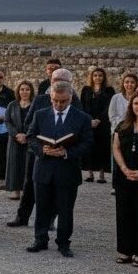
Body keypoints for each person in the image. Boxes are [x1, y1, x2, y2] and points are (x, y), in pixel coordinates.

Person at [26, 81, 94, 258]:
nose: (58, 104)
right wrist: (42, 149)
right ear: (51, 97)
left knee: (65, 209)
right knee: (41, 207)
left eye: (63, 101)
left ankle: (63, 243)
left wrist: (67, 152)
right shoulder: (40, 115)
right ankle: (40, 239)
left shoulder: (82, 118)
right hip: (43, 168)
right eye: (55, 100)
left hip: (67, 170)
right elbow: (31, 137)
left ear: (70, 98)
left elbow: (87, 144)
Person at [7, 68, 82, 228]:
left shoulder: (74, 100)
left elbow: (79, 126)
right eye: (57, 81)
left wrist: (63, 146)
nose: (60, 84)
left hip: (61, 152)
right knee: (29, 184)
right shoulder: (40, 99)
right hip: (38, 150)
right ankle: (22, 216)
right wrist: (42, 144)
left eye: (65, 82)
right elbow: (29, 124)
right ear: (51, 81)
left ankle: (49, 220)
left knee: (56, 186)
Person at [112, 89, 138, 267]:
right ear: (131, 106)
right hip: (125, 176)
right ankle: (125, 250)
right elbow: (116, 148)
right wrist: (124, 168)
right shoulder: (123, 125)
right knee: (124, 213)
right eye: (136, 103)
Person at [81, 67, 115, 184]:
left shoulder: (109, 90)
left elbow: (108, 107)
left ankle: (101, 175)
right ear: (92, 77)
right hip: (88, 123)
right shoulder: (86, 90)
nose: (98, 78)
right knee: (89, 147)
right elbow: (82, 106)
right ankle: (90, 174)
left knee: (102, 148)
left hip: (103, 123)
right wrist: (90, 120)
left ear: (104, 77)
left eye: (100, 75)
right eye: (95, 75)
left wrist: (99, 119)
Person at [4, 81, 36, 200]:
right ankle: (15, 190)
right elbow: (7, 121)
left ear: (31, 91)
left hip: (30, 140)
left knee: (28, 165)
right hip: (14, 140)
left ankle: (26, 191)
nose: (24, 92)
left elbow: (36, 122)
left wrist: (26, 136)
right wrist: (16, 135)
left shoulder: (35, 105)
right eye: (22, 89)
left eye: (27, 89)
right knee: (14, 165)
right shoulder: (12, 105)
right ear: (18, 91)